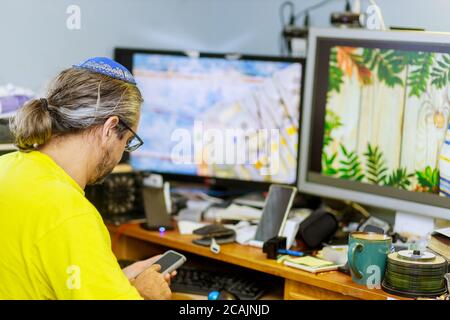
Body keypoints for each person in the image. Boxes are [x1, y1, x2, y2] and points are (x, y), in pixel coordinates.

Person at [0, 57, 175, 299]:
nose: (121, 154)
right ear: (110, 128)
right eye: (127, 141)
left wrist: (116, 282)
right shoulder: (71, 213)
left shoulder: (5, 167)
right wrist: (144, 293)